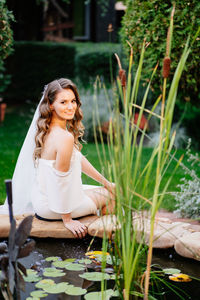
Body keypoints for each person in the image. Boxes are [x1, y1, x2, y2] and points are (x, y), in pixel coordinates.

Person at [0, 78, 115, 239]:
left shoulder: (46, 129)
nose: (70, 107)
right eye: (63, 102)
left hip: (42, 198)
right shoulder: (64, 137)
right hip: (54, 208)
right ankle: (103, 240)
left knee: (108, 187)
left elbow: (78, 159)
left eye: (73, 101)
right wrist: (67, 219)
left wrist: (106, 182)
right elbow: (61, 180)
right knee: (113, 195)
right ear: (51, 105)